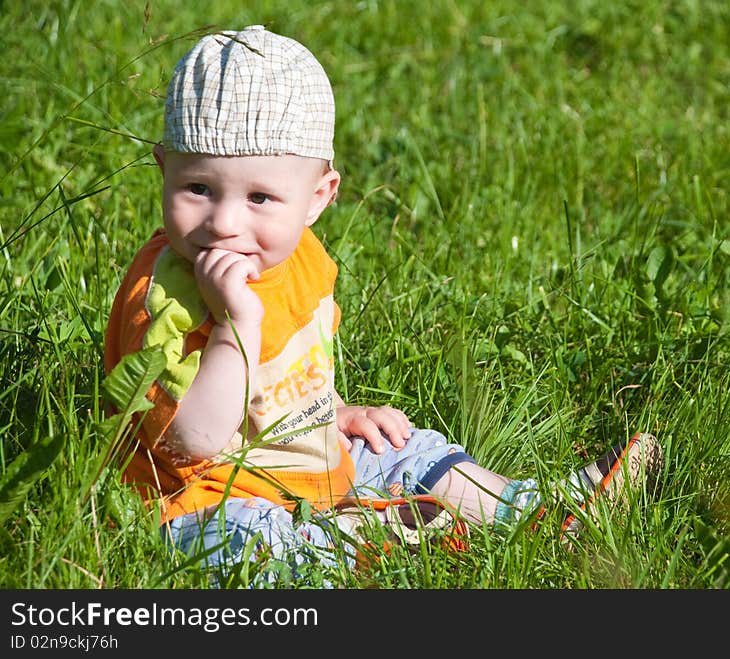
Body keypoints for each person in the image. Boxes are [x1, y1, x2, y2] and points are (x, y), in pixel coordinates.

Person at [103, 24, 662, 586]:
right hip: (203, 497)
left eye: (260, 198)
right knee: (251, 542)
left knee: (405, 447)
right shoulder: (165, 299)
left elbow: (301, 370)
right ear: (163, 168)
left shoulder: (302, 260)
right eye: (198, 188)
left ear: (317, 199)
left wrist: (338, 414)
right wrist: (235, 325)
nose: (225, 222)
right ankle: (396, 540)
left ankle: (532, 513)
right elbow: (188, 441)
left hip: (308, 463)